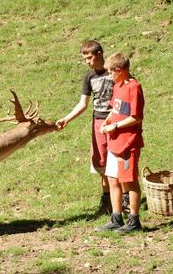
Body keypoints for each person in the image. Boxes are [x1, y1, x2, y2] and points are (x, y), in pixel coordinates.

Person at [57, 40, 127, 215]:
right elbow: (83, 103)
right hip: (98, 122)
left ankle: (125, 198)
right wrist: (67, 119)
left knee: (119, 159)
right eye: (85, 59)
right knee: (101, 162)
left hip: (116, 122)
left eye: (89, 57)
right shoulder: (89, 77)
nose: (87, 62)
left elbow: (125, 96)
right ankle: (107, 202)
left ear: (99, 54)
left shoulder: (113, 72)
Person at [95, 52, 145, 233]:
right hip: (114, 142)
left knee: (129, 181)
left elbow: (136, 117)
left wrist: (115, 126)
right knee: (113, 179)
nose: (109, 76)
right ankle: (116, 218)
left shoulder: (134, 87)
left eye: (110, 72)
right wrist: (108, 121)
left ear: (120, 70)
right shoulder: (118, 85)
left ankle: (134, 220)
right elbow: (115, 109)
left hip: (127, 143)